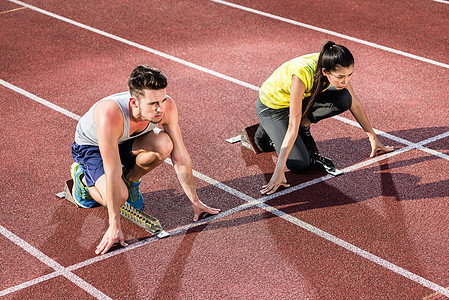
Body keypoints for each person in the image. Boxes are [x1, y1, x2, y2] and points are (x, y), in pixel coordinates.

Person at [70, 65, 220, 254]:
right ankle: (82, 180)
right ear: (134, 103)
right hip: (93, 148)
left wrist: (195, 201)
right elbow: (113, 170)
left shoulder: (167, 107)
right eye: (153, 104)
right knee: (119, 198)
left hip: (128, 140)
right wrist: (114, 226)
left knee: (165, 144)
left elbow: (180, 156)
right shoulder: (110, 115)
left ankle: (131, 180)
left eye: (162, 100)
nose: (160, 108)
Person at [254, 40, 393, 195]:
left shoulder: (334, 64)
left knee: (344, 98)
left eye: (349, 75)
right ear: (325, 72)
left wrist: (372, 136)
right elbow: (293, 125)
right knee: (300, 165)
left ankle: (299, 124)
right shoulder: (302, 74)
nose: (345, 81)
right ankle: (263, 131)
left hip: (302, 99)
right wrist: (278, 171)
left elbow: (355, 104)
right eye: (341, 77)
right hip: (272, 108)